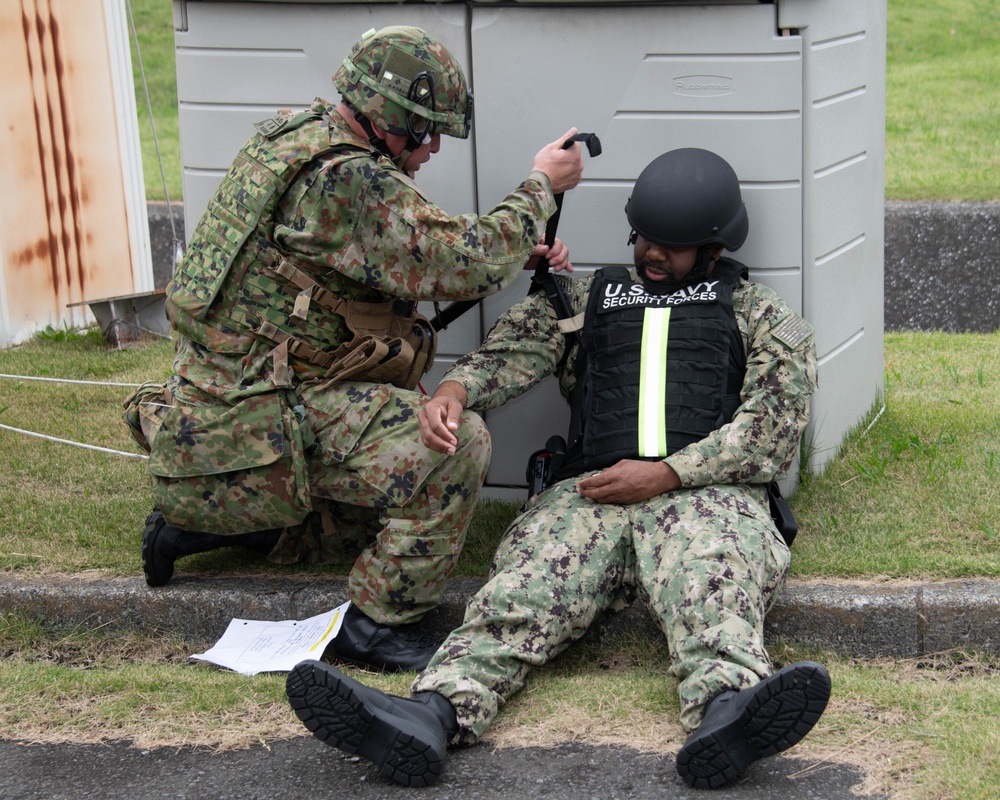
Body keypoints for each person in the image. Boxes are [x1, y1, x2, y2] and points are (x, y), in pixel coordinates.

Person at [283, 148, 831, 790]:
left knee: (713, 577)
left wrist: (667, 475)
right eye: (645, 238)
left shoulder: (759, 314)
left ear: (712, 249)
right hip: (590, 494)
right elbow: (509, 351)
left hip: (704, 497)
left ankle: (730, 709)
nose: (653, 254)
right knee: (522, 591)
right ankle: (429, 713)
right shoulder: (583, 300)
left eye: (673, 247)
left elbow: (770, 431)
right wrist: (455, 392)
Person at [122, 25, 584, 674]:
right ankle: (380, 627)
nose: (432, 152)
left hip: (214, 402)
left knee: (382, 509)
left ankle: (208, 525)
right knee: (454, 449)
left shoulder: (294, 137)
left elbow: (357, 264)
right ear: (399, 122)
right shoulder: (349, 182)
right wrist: (541, 187)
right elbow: (466, 263)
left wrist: (508, 249)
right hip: (264, 408)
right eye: (431, 135)